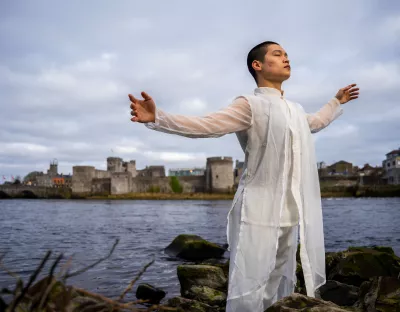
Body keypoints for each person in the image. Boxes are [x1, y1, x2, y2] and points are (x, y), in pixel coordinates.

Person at [128, 41, 359, 311]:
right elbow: (208, 125)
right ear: (257, 65)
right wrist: (159, 117)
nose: (286, 58)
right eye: (277, 54)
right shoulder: (250, 105)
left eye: (286, 54)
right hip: (256, 211)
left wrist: (335, 102)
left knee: (277, 279)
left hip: (289, 211)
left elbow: (315, 123)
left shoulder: (294, 110)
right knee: (250, 283)